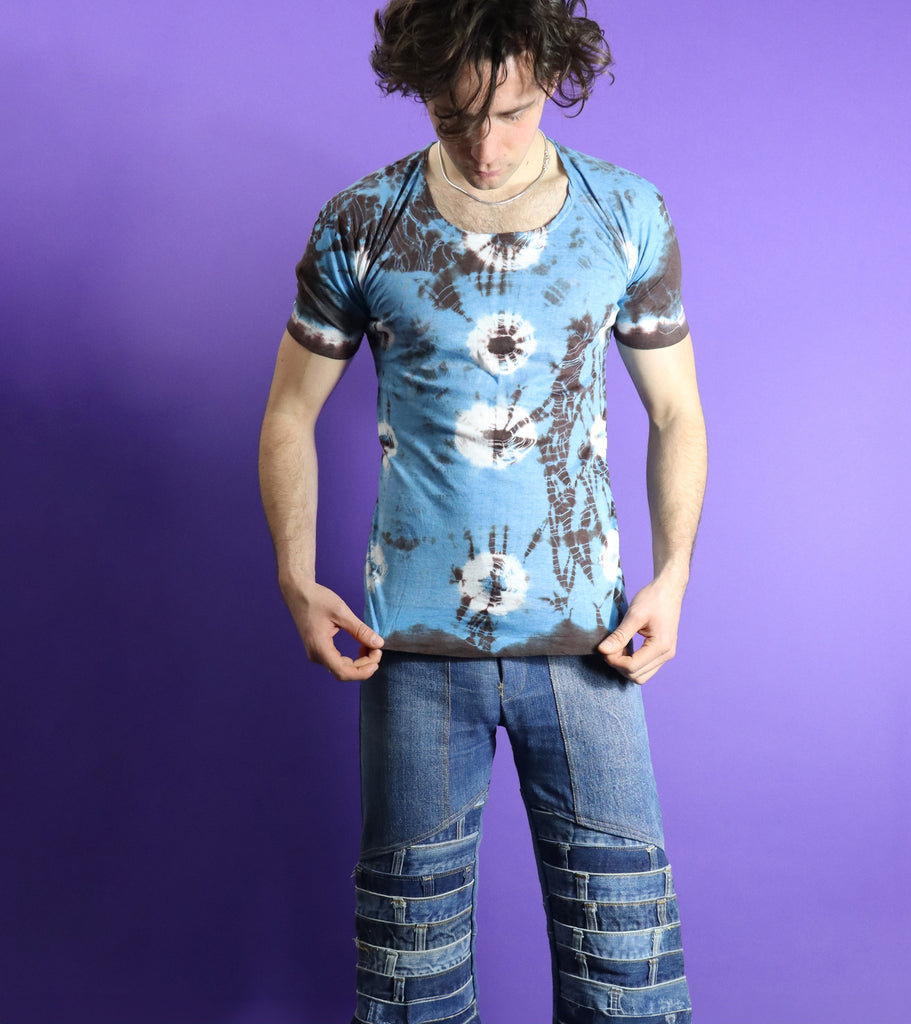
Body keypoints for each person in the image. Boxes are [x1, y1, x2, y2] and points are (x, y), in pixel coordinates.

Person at [258, 0, 707, 1020]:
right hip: (411, 653)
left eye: (510, 112)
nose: (486, 145)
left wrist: (675, 576)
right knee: (409, 993)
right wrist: (293, 573)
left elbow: (676, 411)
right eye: (454, 115)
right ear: (419, 87)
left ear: (553, 74)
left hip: (589, 646)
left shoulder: (627, 214)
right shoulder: (361, 222)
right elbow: (289, 411)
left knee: (629, 984)